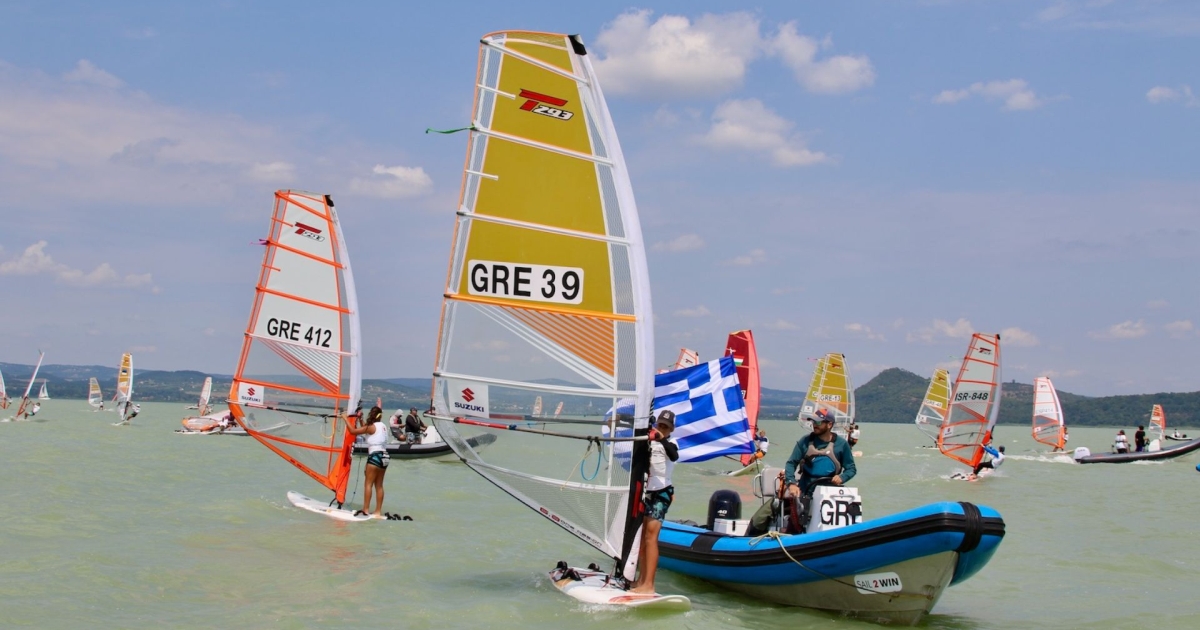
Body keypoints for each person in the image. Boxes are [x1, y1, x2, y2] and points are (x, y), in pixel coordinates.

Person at [783, 409, 857, 531]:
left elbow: (851, 469)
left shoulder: (842, 444)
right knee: (794, 527)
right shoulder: (804, 441)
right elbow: (791, 464)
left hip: (830, 495)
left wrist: (842, 477)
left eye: (818, 422)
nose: (814, 425)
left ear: (829, 424)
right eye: (813, 422)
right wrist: (791, 483)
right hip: (805, 493)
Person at [630, 410, 679, 595]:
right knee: (643, 538)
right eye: (660, 425)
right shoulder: (649, 440)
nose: (662, 428)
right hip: (645, 492)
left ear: (671, 429)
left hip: (661, 493)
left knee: (651, 537)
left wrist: (661, 438)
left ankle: (649, 585)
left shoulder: (672, 443)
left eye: (666, 427)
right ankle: (641, 580)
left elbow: (674, 456)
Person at [347, 406, 391, 518]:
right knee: (379, 485)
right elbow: (367, 430)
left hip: (375, 456)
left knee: (368, 484)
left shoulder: (371, 427)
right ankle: (377, 511)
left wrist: (344, 418)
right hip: (385, 456)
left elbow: (353, 431)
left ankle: (365, 510)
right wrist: (360, 419)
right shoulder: (383, 426)